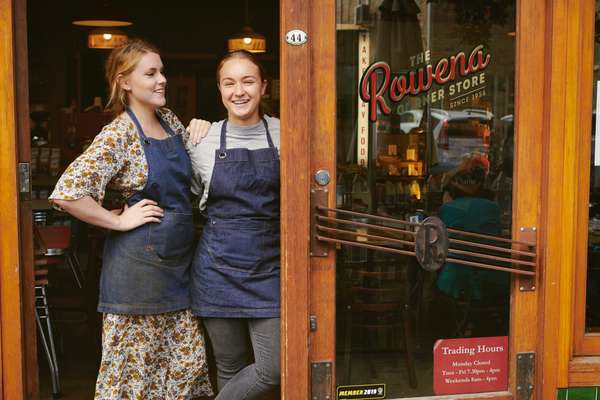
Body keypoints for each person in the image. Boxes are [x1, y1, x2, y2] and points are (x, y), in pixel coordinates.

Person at [50, 39, 213, 399]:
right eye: (151, 73)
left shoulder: (170, 121)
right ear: (124, 82)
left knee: (183, 369)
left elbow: (199, 175)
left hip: (177, 271)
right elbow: (67, 192)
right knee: (134, 380)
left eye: (162, 71)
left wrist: (203, 131)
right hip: (136, 278)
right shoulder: (119, 133)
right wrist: (119, 222)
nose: (162, 80)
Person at [186, 50, 281, 399]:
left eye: (248, 81)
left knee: (274, 367)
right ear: (219, 90)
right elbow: (188, 195)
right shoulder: (200, 140)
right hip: (217, 269)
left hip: (270, 267)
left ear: (263, 86)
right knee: (229, 365)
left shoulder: (286, 134)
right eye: (229, 83)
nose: (238, 91)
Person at [435, 154, 510, 336]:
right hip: (492, 280)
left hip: (457, 280)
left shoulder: (447, 209)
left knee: (433, 282)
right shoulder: (492, 208)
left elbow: (440, 245)